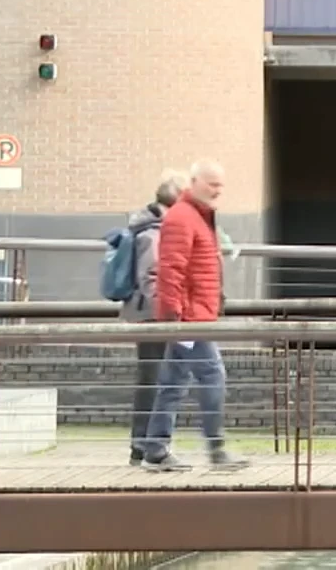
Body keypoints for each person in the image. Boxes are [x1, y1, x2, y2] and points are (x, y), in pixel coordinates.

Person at [138, 159, 247, 472]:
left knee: (173, 382)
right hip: (190, 318)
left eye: (221, 185)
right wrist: (173, 316)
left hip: (192, 315)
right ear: (194, 182)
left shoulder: (195, 217)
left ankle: (156, 449)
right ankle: (216, 449)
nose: (218, 191)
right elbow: (171, 269)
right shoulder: (185, 218)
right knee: (212, 376)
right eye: (212, 184)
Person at [123, 169, 183, 466]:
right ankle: (147, 446)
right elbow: (152, 278)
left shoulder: (151, 229)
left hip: (149, 315)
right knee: (157, 379)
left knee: (154, 379)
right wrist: (170, 314)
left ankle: (143, 445)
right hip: (154, 317)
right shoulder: (153, 233)